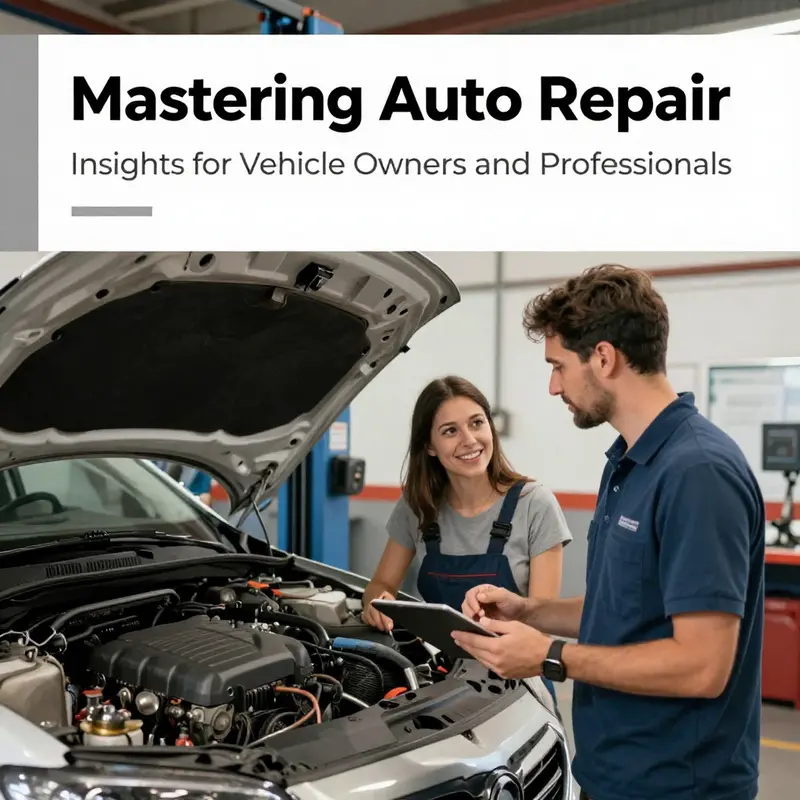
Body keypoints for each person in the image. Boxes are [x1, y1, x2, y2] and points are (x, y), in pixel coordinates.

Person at [453, 265, 765, 800]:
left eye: (558, 366)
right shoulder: (628, 463)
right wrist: (527, 610)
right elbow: (627, 608)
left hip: (677, 786)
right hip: (613, 773)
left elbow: (702, 665)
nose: (553, 386)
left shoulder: (697, 472)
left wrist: (550, 655)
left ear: (603, 357)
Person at [361, 375, 573, 702]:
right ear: (429, 446)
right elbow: (380, 586)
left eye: (477, 423)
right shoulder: (417, 507)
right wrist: (378, 604)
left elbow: (541, 623)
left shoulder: (535, 504)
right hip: (442, 684)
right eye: (450, 431)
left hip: (518, 686)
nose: (469, 439)